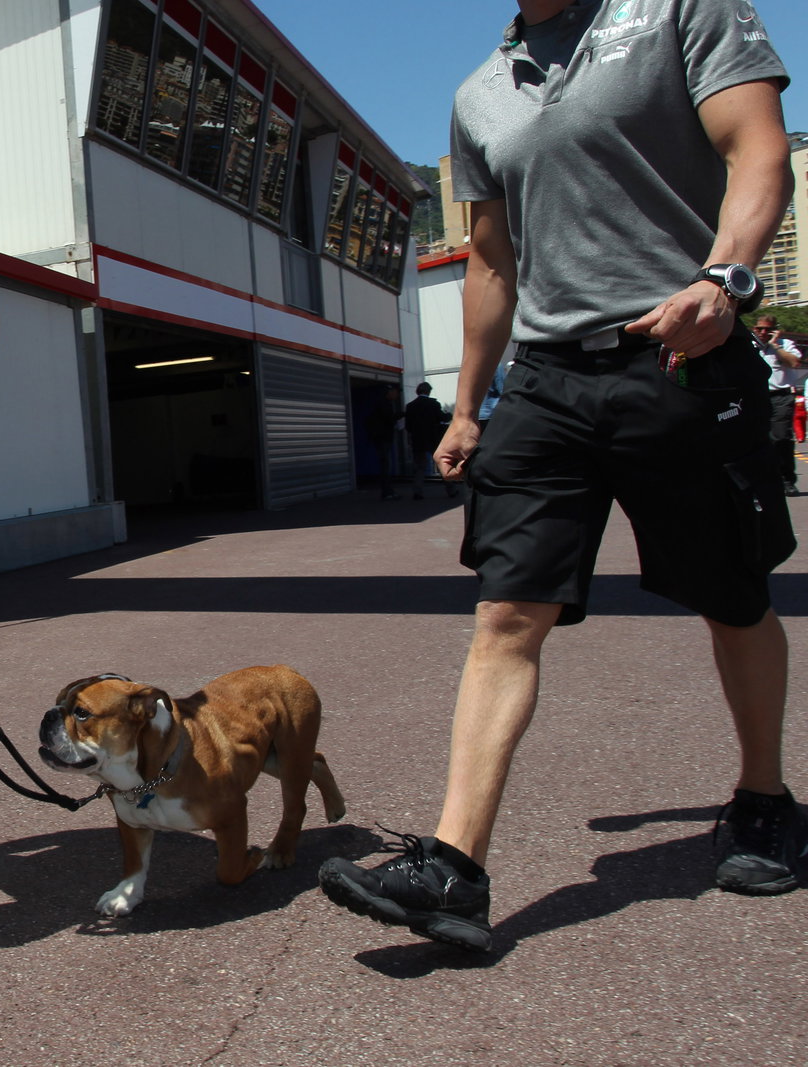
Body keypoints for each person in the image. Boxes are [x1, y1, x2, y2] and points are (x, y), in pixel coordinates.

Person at [318, 0, 804, 953]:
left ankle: (763, 799)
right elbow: (493, 261)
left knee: (733, 594)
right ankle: (453, 869)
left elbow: (759, 149)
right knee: (506, 611)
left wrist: (729, 279)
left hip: (679, 353)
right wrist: (466, 407)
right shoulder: (479, 95)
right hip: (545, 381)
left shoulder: (675, 10)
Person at [753, 314, 804, 496]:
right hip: (756, 397)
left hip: (781, 397)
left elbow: (795, 362)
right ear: (754, 329)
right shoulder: (749, 346)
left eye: (768, 329)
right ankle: (762, 479)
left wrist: (775, 345)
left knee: (781, 438)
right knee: (756, 439)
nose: (763, 332)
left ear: (775, 330)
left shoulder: (785, 345)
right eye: (760, 328)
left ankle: (786, 479)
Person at [403, 382, 456, 500]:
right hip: (433, 439)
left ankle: (418, 491)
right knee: (441, 464)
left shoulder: (410, 406)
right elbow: (442, 417)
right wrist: (449, 415)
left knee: (419, 467)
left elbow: (408, 426)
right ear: (429, 391)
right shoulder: (434, 404)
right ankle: (451, 490)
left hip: (418, 441)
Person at [366, 385, 403, 500]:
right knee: (385, 464)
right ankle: (387, 492)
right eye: (396, 392)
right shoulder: (384, 404)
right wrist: (401, 414)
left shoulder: (382, 403)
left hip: (381, 438)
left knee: (385, 464)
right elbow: (388, 418)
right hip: (383, 438)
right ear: (390, 392)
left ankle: (388, 491)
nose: (397, 396)